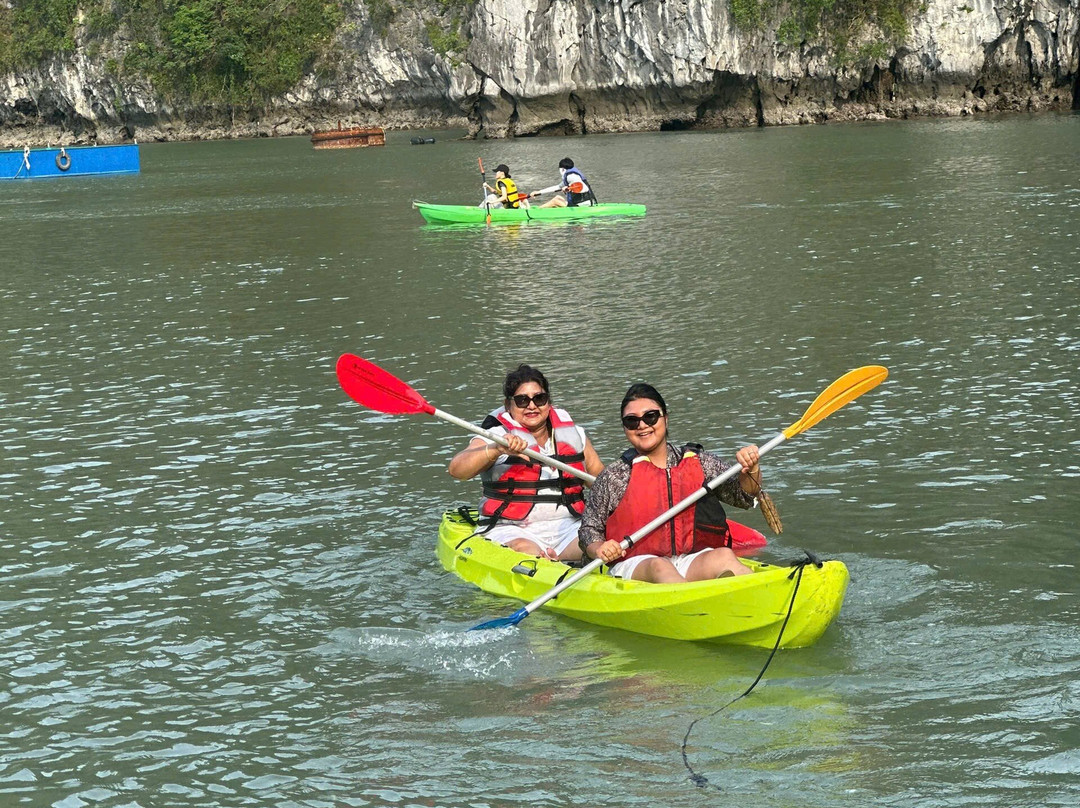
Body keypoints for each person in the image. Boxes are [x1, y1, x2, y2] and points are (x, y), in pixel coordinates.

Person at [577, 383, 763, 582]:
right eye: (632, 421)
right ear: (625, 428)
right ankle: (695, 606)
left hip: (688, 559)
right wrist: (600, 548)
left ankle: (757, 598)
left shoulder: (700, 462)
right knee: (660, 566)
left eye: (650, 416)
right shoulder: (615, 476)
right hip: (634, 564)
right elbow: (589, 529)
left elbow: (744, 497)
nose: (642, 425)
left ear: (665, 418)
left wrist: (750, 468)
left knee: (725, 556)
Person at [448, 365, 604, 561]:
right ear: (508, 405)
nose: (532, 406)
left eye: (539, 398)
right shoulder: (496, 436)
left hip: (570, 528)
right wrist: (497, 450)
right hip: (513, 530)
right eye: (522, 400)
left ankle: (563, 560)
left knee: (599, 545)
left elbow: (600, 480)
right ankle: (544, 563)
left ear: (548, 402)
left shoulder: (575, 435)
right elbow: (457, 469)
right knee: (526, 550)